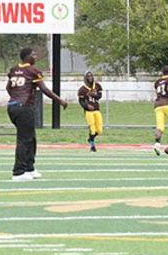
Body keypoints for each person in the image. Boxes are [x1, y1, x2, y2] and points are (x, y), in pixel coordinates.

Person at [6, 47, 68, 181]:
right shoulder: (33, 71)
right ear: (27, 57)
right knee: (24, 139)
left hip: (12, 106)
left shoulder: (13, 69)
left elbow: (8, 88)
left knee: (30, 137)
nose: (35, 56)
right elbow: (44, 89)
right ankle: (18, 171)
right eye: (33, 54)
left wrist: (15, 98)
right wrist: (60, 100)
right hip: (24, 107)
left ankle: (29, 168)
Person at [77, 72, 103, 152]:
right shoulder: (82, 89)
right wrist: (87, 106)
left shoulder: (97, 86)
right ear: (85, 78)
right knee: (92, 129)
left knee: (99, 130)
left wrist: (94, 94)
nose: (90, 77)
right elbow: (81, 101)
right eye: (88, 76)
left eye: (91, 76)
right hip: (88, 112)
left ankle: (90, 139)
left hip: (96, 109)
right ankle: (92, 145)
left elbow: (99, 96)